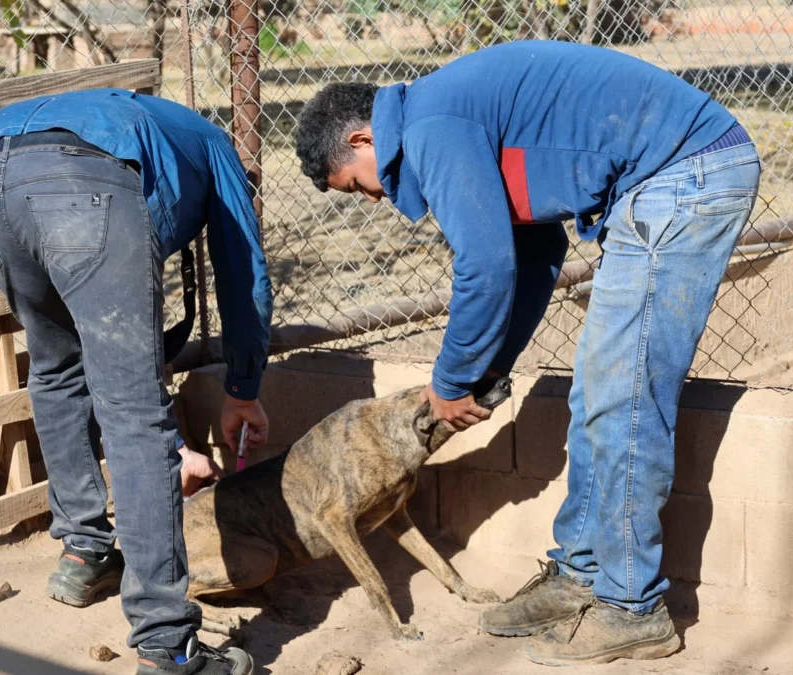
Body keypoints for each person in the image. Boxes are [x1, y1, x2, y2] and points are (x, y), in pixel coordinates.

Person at [294, 40, 759, 666]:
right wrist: (488, 366)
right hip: (659, 183)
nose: (372, 199)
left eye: (356, 187)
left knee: (622, 397)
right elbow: (534, 256)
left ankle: (632, 607)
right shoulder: (443, 118)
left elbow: (484, 267)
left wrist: (450, 380)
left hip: (684, 174)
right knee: (596, 391)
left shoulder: (432, 128)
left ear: (360, 141)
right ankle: (583, 576)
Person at [0, 88, 273, 675]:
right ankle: (166, 645)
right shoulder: (215, 145)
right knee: (135, 414)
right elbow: (242, 269)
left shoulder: (147, 122)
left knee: (56, 368)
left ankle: (83, 552)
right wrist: (244, 389)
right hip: (83, 180)